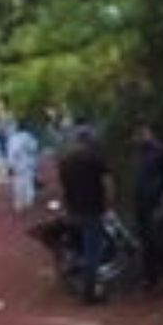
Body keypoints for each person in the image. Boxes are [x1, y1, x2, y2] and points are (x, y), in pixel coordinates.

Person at [58, 127, 114, 304]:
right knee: (93, 253)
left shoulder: (66, 162)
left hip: (74, 211)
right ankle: (89, 292)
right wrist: (108, 206)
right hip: (93, 210)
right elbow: (108, 185)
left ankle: (74, 279)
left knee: (77, 248)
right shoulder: (97, 159)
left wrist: (66, 209)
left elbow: (62, 189)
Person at [134, 125, 163, 293]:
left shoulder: (161, 152)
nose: (139, 137)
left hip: (157, 204)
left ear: (149, 133)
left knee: (162, 242)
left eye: (141, 134)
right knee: (147, 242)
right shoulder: (140, 153)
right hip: (142, 205)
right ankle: (150, 278)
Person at [6, 125, 39, 213]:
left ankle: (20, 204)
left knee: (19, 184)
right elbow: (34, 147)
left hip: (19, 165)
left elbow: (12, 153)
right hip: (27, 164)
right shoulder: (28, 136)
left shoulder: (13, 139)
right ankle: (28, 202)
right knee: (28, 183)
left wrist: (10, 166)